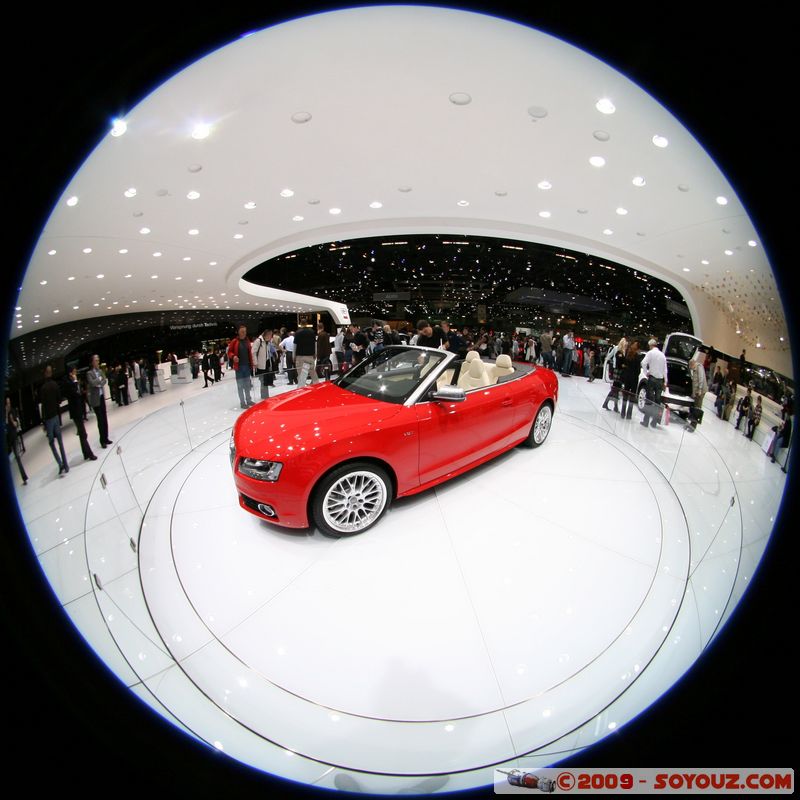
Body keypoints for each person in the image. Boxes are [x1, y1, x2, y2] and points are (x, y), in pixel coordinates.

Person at [62, 366, 97, 461]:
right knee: (83, 433)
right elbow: (75, 393)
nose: (75, 373)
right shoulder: (69, 382)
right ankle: (89, 454)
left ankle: (85, 453)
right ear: (70, 373)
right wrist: (75, 381)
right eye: (74, 372)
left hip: (78, 409)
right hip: (75, 411)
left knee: (82, 434)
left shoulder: (71, 381)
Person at [40, 365, 69, 476]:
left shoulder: (43, 389)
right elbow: (59, 400)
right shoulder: (55, 385)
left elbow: (43, 406)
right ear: (51, 373)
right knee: (60, 442)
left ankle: (60, 464)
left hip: (48, 419)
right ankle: (66, 465)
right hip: (56, 416)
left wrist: (43, 422)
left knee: (52, 443)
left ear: (45, 373)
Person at [86, 355, 113, 448]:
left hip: (101, 397)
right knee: (100, 419)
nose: (98, 362)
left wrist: (99, 382)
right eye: (96, 360)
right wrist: (99, 380)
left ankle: (106, 438)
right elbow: (92, 383)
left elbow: (104, 380)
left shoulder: (101, 371)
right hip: (95, 399)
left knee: (104, 418)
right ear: (92, 362)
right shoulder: (89, 373)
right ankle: (102, 441)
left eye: (98, 360)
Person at [640, 338, 667, 428]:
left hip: (652, 379)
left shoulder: (650, 353)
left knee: (649, 400)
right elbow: (665, 370)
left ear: (651, 345)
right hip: (660, 381)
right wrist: (665, 381)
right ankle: (654, 422)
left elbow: (643, 363)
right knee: (657, 402)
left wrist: (645, 372)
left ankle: (646, 421)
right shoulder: (663, 355)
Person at [227, 325, 256, 408]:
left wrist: (252, 364)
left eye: (245, 331)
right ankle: (242, 403)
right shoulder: (234, 341)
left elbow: (250, 353)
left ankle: (249, 400)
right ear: (238, 332)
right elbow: (229, 352)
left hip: (247, 366)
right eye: (242, 331)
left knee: (247, 385)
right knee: (240, 386)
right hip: (239, 368)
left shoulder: (247, 341)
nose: (244, 333)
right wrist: (233, 356)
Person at [4, 397, 28, 485]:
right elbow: (5, 425)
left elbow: (16, 424)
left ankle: (24, 477)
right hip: (6, 440)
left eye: (9, 403)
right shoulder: (4, 414)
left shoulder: (13, 411)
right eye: (7, 403)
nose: (9, 405)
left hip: (13, 436)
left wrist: (12, 421)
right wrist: (7, 415)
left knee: (17, 457)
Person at [685, 356, 708, 432]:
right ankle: (691, 424)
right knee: (695, 407)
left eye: (691, 367)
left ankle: (693, 427)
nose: (691, 369)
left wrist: (700, 389)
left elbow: (701, 378)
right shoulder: (694, 369)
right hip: (697, 392)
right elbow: (694, 382)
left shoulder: (699, 367)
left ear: (692, 364)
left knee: (697, 408)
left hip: (700, 391)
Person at [619, 341, 640, 420]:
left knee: (629, 396)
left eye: (635, 345)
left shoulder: (635, 356)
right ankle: (625, 413)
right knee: (627, 396)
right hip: (631, 378)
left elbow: (637, 369)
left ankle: (626, 413)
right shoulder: (630, 355)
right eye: (633, 344)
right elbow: (637, 369)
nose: (633, 346)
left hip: (632, 378)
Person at [602, 341, 625, 412]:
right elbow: (610, 356)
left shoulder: (621, 350)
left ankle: (615, 406)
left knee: (616, 390)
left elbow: (609, 356)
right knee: (615, 389)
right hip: (618, 370)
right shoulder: (618, 350)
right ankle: (607, 403)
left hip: (618, 370)